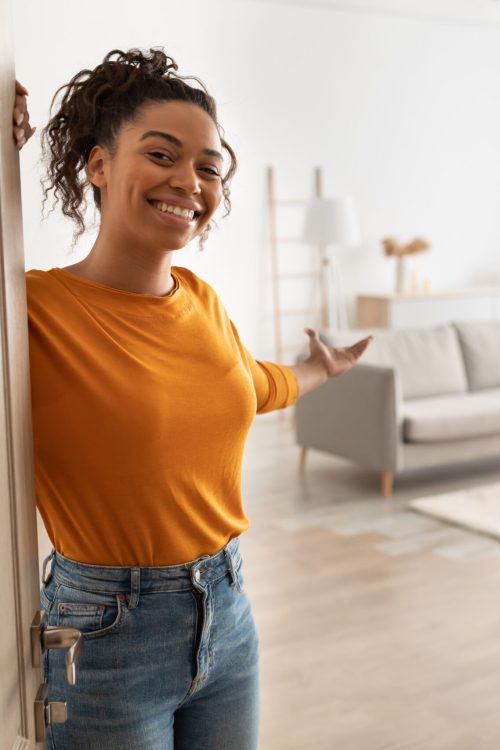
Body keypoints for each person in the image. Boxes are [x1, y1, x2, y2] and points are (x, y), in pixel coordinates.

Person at [13, 48, 372, 750]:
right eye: (162, 155)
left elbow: (249, 387)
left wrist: (318, 369)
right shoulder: (34, 310)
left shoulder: (202, 302)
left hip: (229, 615)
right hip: (105, 638)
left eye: (209, 167)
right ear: (98, 165)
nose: (190, 181)